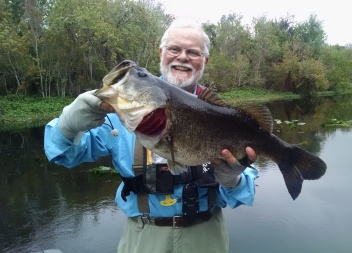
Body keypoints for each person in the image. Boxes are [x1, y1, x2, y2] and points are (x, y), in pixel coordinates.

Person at [44, 18, 258, 253]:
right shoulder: (119, 115)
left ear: (204, 61)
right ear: (161, 53)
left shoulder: (223, 117)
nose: (183, 57)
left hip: (207, 236)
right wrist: (68, 123)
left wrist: (232, 179)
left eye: (193, 52)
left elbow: (242, 195)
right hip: (143, 238)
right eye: (175, 49)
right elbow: (63, 156)